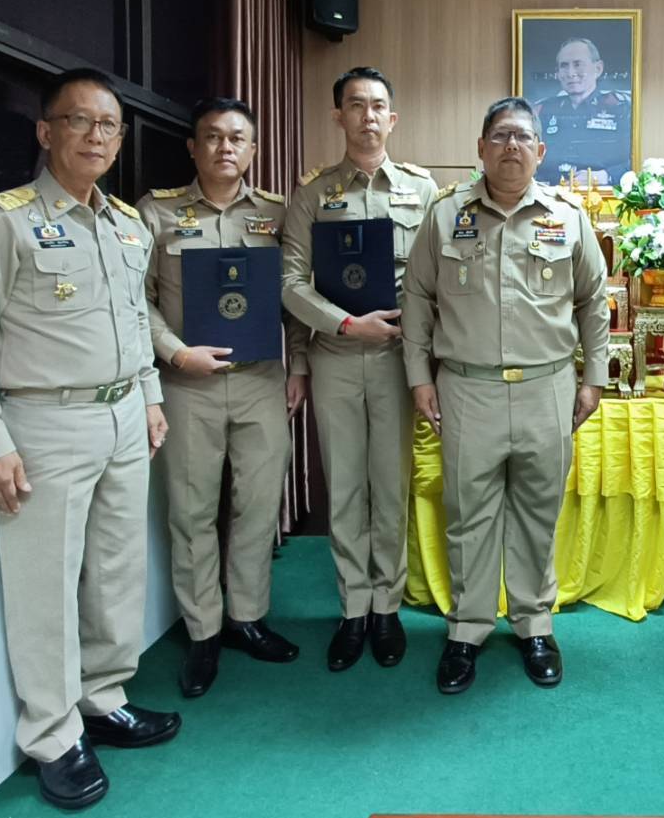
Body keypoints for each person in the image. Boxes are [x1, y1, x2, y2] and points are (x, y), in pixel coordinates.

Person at [0, 68, 179, 810]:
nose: (97, 137)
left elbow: (135, 322)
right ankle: (52, 734)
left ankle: (103, 699)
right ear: (46, 132)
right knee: (45, 585)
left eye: (109, 126)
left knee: (116, 569)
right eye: (80, 122)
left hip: (121, 419)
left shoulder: (126, 224)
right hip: (43, 425)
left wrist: (149, 395)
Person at [402, 96, 609, 694]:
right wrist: (420, 377)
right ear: (481, 149)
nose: (511, 146)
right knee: (468, 515)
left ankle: (534, 624)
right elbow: (417, 299)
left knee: (539, 513)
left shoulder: (568, 217)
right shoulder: (445, 216)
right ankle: (467, 628)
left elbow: (594, 300)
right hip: (468, 389)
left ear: (540, 151)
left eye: (523, 137)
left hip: (548, 387)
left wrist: (592, 376)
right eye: (500, 136)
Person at [137, 97, 310, 698]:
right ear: (193, 147)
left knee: (258, 506)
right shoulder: (156, 214)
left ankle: (248, 618)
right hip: (189, 385)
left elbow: (293, 295)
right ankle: (204, 631)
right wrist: (175, 353)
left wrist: (300, 366)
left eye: (238, 138)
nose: (225, 148)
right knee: (190, 512)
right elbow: (140, 302)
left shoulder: (277, 215)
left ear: (255, 150)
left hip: (262, 380)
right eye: (212, 137)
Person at [281, 67, 437, 671]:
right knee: (345, 486)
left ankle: (388, 607)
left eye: (378, 107)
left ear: (392, 119)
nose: (368, 116)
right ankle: (352, 609)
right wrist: (345, 325)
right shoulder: (313, 194)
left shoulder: (425, 193)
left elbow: (438, 280)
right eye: (355, 105)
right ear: (338, 116)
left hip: (402, 360)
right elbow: (290, 283)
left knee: (390, 486)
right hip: (339, 357)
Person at [530, 37, 632, 185]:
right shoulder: (542, 110)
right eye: (564, 66)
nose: (571, 73)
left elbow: (637, 159)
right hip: (550, 197)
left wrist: (606, 176)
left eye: (578, 64)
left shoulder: (620, 108)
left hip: (603, 198)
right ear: (558, 73)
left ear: (598, 69)